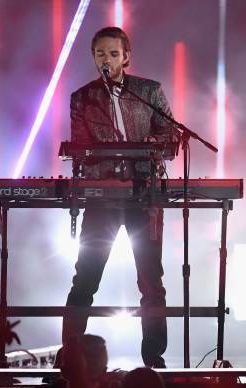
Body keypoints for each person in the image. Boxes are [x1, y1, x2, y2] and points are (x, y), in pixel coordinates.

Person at [63, 26, 178, 368]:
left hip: (145, 196)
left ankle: (153, 358)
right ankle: (71, 355)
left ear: (126, 57)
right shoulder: (82, 98)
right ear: (93, 58)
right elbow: (80, 149)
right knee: (85, 276)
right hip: (103, 197)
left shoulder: (149, 91)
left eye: (114, 54)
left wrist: (147, 149)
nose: (107, 60)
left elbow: (170, 134)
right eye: (101, 54)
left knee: (150, 280)